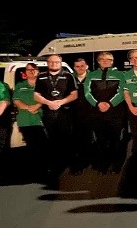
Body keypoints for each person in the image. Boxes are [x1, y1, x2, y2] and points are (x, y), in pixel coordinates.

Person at [32, 53, 77, 189]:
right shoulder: (41, 76)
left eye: (56, 62)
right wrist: (48, 102)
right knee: (51, 141)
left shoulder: (69, 76)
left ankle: (67, 168)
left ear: (61, 63)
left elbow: (74, 94)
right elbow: (36, 95)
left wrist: (60, 102)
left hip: (64, 112)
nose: (54, 64)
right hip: (48, 113)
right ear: (47, 63)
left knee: (65, 140)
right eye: (51, 62)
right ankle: (54, 169)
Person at [85, 51, 125, 173]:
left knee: (115, 141)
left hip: (115, 114)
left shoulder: (120, 74)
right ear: (98, 61)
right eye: (103, 59)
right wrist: (97, 104)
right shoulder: (91, 75)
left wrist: (109, 104)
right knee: (101, 141)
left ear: (112, 62)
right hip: (97, 114)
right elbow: (87, 92)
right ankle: (103, 165)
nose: (106, 61)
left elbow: (122, 92)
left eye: (109, 60)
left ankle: (116, 165)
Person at [12, 62, 48, 184]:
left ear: (38, 71)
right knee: (31, 146)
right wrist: (28, 108)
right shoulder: (20, 85)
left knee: (44, 146)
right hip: (25, 120)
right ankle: (33, 173)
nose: (31, 72)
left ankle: (45, 172)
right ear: (25, 72)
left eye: (34, 70)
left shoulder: (43, 83)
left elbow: (49, 98)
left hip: (41, 119)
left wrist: (37, 106)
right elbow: (16, 100)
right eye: (28, 70)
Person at [70, 57, 94, 174]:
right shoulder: (70, 78)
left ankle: (89, 161)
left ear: (87, 66)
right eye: (77, 66)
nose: (80, 68)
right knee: (76, 140)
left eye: (82, 66)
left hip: (91, 113)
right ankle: (79, 164)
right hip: (74, 114)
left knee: (90, 139)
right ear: (74, 67)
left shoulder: (93, 77)